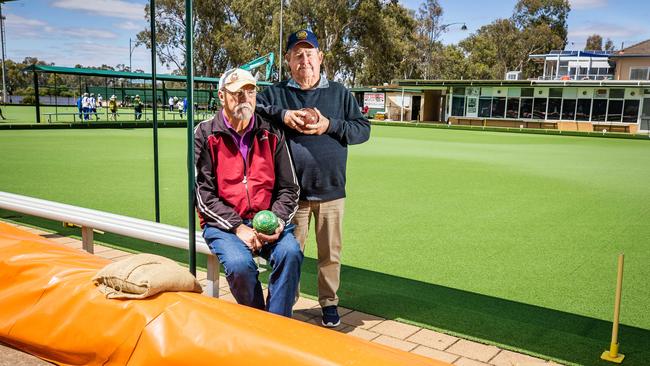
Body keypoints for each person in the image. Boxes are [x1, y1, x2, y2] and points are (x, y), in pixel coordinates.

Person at [256, 29, 370, 327]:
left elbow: (362, 130)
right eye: (297, 54)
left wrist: (329, 124)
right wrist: (283, 115)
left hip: (331, 190)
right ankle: (284, 303)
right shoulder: (276, 93)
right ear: (288, 61)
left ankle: (329, 303)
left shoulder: (340, 93)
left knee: (330, 254)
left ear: (320, 58)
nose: (304, 59)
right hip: (290, 194)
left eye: (309, 54)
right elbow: (252, 110)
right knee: (288, 253)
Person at [195, 68, 303, 318]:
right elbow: (203, 194)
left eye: (250, 91)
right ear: (222, 96)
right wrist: (237, 227)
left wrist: (276, 220)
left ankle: (277, 324)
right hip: (224, 225)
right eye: (237, 93)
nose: (245, 98)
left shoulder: (272, 132)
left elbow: (290, 188)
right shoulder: (205, 133)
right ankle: (258, 321)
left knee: (291, 252)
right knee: (239, 265)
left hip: (266, 217)